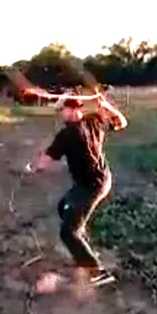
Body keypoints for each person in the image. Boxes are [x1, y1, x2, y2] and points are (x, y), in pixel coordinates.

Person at [24, 91, 128, 292]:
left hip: (91, 186)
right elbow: (121, 122)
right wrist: (107, 107)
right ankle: (83, 247)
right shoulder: (94, 120)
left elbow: (45, 161)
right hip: (99, 180)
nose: (61, 114)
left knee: (67, 232)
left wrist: (31, 168)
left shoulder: (67, 134)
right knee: (63, 206)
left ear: (72, 109)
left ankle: (97, 272)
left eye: (62, 110)